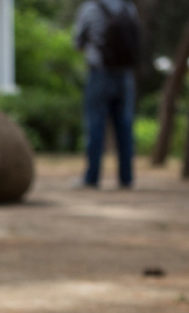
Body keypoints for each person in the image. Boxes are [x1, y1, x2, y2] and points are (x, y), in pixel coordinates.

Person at [73, 0, 140, 190]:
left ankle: (92, 178)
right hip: (125, 75)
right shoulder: (128, 7)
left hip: (100, 73)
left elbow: (77, 42)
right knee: (125, 128)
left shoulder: (90, 8)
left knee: (95, 127)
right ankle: (126, 179)